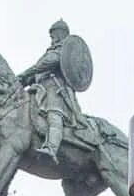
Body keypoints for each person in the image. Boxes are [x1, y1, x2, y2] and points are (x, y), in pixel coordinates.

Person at [17, 19, 85, 163]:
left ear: (60, 34)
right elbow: (37, 73)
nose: (52, 38)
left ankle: (51, 148)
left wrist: (24, 74)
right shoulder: (50, 51)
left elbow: (44, 65)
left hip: (56, 90)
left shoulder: (63, 50)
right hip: (40, 90)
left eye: (53, 35)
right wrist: (20, 81)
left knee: (54, 115)